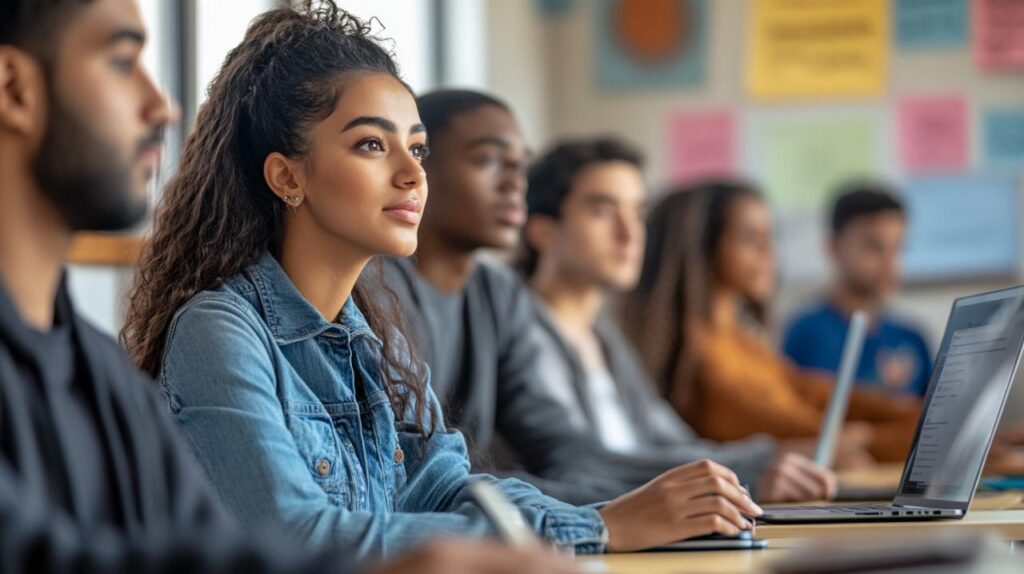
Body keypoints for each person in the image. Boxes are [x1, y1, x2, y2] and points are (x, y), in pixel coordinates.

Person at [122, 3, 763, 559]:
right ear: (287, 177)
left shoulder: (377, 334)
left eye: (418, 148)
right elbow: (298, 538)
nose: (412, 174)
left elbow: (453, 488)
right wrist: (595, 526)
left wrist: (625, 516)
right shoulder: (218, 330)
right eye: (372, 145)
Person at [0, 0, 577, 572]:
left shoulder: (97, 370)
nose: (163, 106)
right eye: (123, 62)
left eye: (418, 148)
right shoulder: (215, 330)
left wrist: (584, 525)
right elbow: (285, 535)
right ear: (13, 87)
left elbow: (194, 554)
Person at [381, 89, 835, 503]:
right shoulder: (378, 291)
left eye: (521, 164)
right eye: (488, 160)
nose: (515, 182)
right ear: (420, 168)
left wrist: (732, 475)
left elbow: (571, 452)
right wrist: (614, 513)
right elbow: (425, 479)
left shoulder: (498, 294)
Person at [518, 138, 834, 501]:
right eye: (603, 212)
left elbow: (673, 443)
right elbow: (580, 463)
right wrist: (752, 470)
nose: (630, 233)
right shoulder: (521, 334)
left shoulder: (604, 338)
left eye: (637, 213)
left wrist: (770, 459)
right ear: (542, 231)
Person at [622, 181, 922, 464]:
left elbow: (811, 392)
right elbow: (808, 433)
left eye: (770, 237)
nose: (769, 253)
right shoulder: (701, 357)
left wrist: (918, 414)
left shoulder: (744, 343)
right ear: (704, 249)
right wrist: (899, 434)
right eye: (751, 238)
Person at [783, 183, 933, 397]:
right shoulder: (805, 334)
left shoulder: (912, 339)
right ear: (833, 246)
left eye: (898, 248)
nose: (890, 263)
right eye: (874, 247)